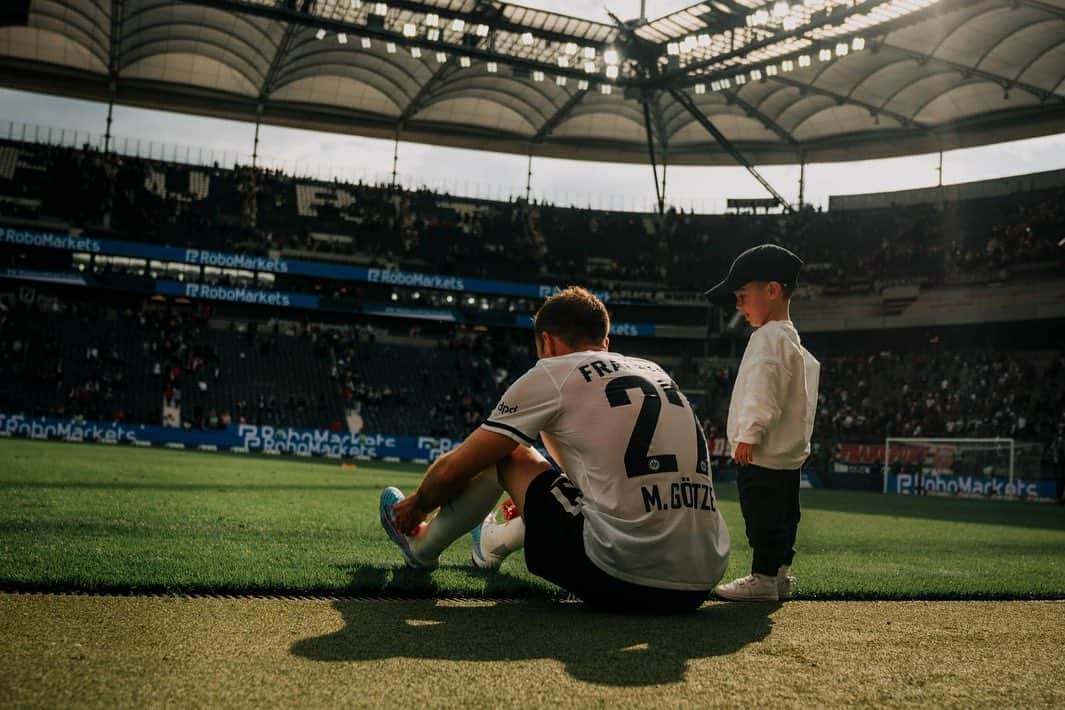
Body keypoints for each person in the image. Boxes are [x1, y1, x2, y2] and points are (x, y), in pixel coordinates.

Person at [379, 287, 729, 613]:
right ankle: (493, 542)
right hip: (701, 577)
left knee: (506, 452)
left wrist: (419, 504)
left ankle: (422, 550)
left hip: (624, 577)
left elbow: (457, 468)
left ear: (546, 341)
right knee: (593, 496)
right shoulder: (655, 371)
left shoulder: (553, 371)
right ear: (605, 341)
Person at [704, 244, 820, 602]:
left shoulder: (767, 339)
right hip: (787, 456)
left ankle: (764, 578)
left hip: (763, 455)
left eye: (742, 296)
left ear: (771, 290)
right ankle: (780, 574)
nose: (738, 307)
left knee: (762, 517)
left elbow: (762, 390)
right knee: (786, 517)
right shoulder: (790, 338)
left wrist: (749, 434)